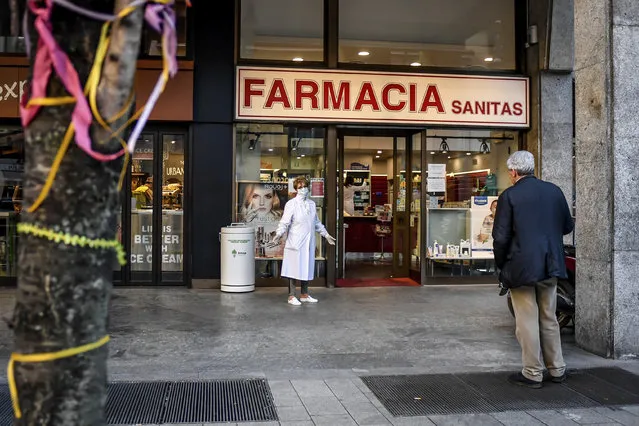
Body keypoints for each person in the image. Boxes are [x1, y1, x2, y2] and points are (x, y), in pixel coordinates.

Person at [492, 151, 574, 389]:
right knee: (549, 317)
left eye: (509, 172)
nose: (509, 176)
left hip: (522, 267)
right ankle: (557, 368)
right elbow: (567, 225)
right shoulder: (554, 191)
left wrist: (501, 265)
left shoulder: (510, 196)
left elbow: (501, 237)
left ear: (514, 172)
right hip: (551, 264)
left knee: (526, 320)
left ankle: (532, 372)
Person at [272, 176, 336, 305]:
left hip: (308, 242)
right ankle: (291, 296)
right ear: (296, 189)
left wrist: (326, 234)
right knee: (294, 268)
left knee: (306, 267)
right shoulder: (291, 204)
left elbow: (316, 223)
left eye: (305, 187)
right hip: (295, 241)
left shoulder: (311, 204)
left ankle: (304, 294)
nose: (303, 189)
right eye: (300, 187)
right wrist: (278, 234)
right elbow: (284, 222)